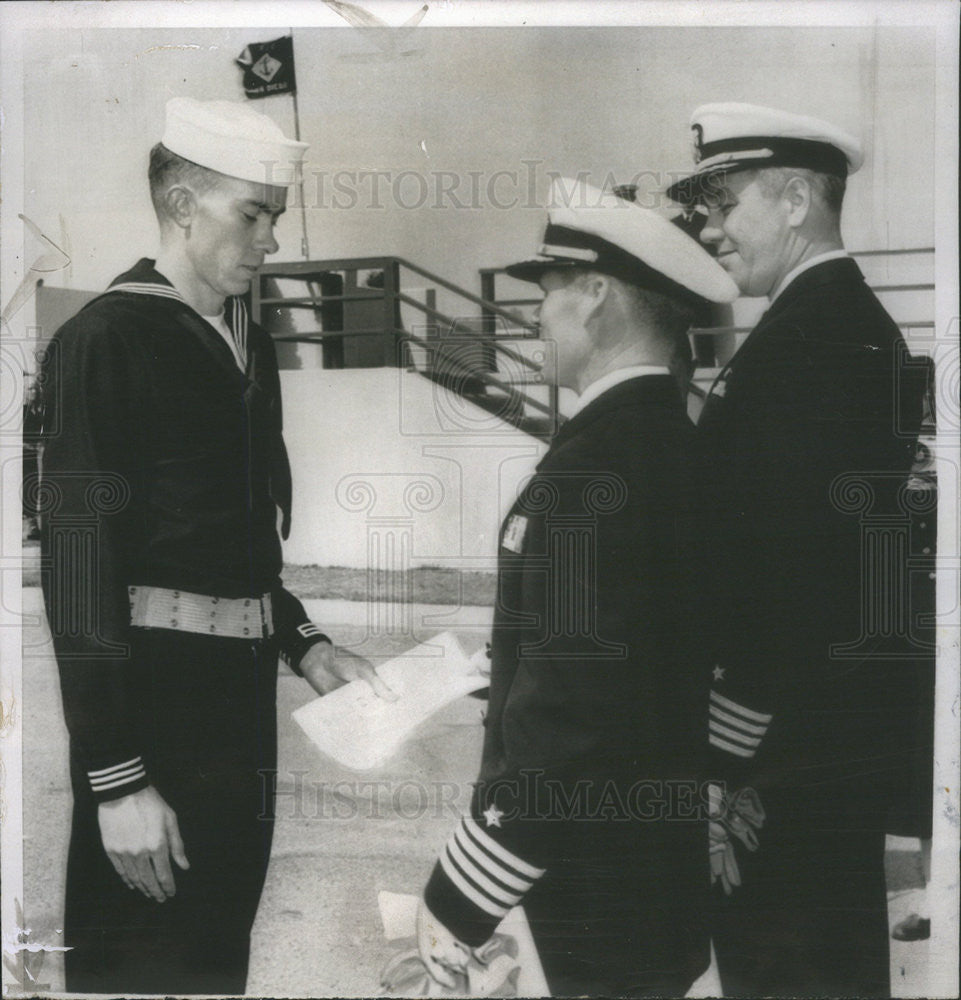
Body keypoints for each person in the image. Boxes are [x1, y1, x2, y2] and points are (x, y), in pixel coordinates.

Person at [38, 97, 392, 995]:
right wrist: (116, 782)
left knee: (210, 965)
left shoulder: (249, 342)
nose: (271, 239)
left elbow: (235, 548)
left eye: (275, 215)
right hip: (153, 707)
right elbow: (81, 565)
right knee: (136, 967)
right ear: (184, 203)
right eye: (254, 213)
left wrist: (308, 646)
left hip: (239, 718)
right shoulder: (108, 337)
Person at [416, 176, 739, 996]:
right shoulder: (672, 443)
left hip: (591, 877)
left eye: (549, 291)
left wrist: (463, 891)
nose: (536, 316)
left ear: (596, 298)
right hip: (647, 873)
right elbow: (642, 654)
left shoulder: (595, 467)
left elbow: (574, 709)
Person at [666, 102, 928, 997]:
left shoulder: (809, 345)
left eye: (721, 204)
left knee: (789, 969)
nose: (708, 230)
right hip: (818, 734)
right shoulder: (821, 326)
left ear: (792, 199)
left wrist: (719, 746)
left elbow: (787, 576)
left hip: (785, 744)